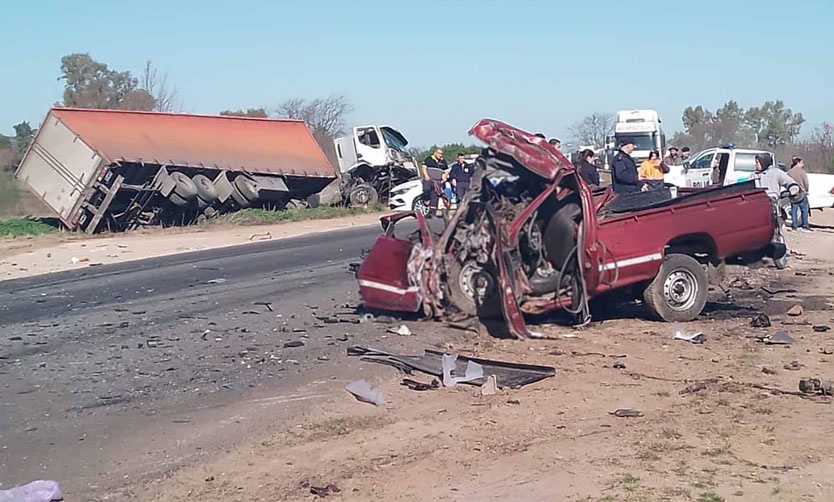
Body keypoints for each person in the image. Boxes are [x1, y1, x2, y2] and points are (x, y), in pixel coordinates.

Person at [787, 157, 811, 232]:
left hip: (792, 194)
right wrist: (806, 190)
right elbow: (806, 182)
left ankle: (794, 227)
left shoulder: (789, 172)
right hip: (802, 193)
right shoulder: (802, 172)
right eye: (801, 163)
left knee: (794, 210)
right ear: (798, 163)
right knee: (804, 210)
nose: (802, 164)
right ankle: (805, 226)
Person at [421, 148, 448, 214]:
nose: (440, 155)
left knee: (435, 197)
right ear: (435, 153)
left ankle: (432, 213)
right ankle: (426, 199)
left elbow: (446, 171)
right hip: (429, 179)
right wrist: (426, 176)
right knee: (426, 189)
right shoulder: (428, 159)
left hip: (438, 182)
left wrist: (444, 177)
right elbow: (424, 167)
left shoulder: (443, 161)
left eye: (441, 154)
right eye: (439, 153)